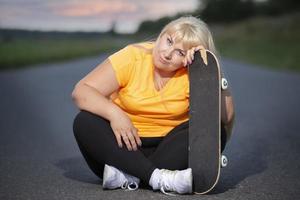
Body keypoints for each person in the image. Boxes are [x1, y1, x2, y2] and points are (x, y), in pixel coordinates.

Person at [71, 16, 235, 195]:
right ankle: (159, 178)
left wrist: (209, 71)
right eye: (169, 41)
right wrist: (114, 114)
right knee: (84, 121)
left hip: (167, 150)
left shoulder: (192, 72)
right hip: (121, 147)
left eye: (180, 52)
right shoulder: (132, 57)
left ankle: (130, 176)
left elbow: (225, 117)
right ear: (162, 34)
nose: (167, 53)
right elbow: (81, 92)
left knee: (215, 131)